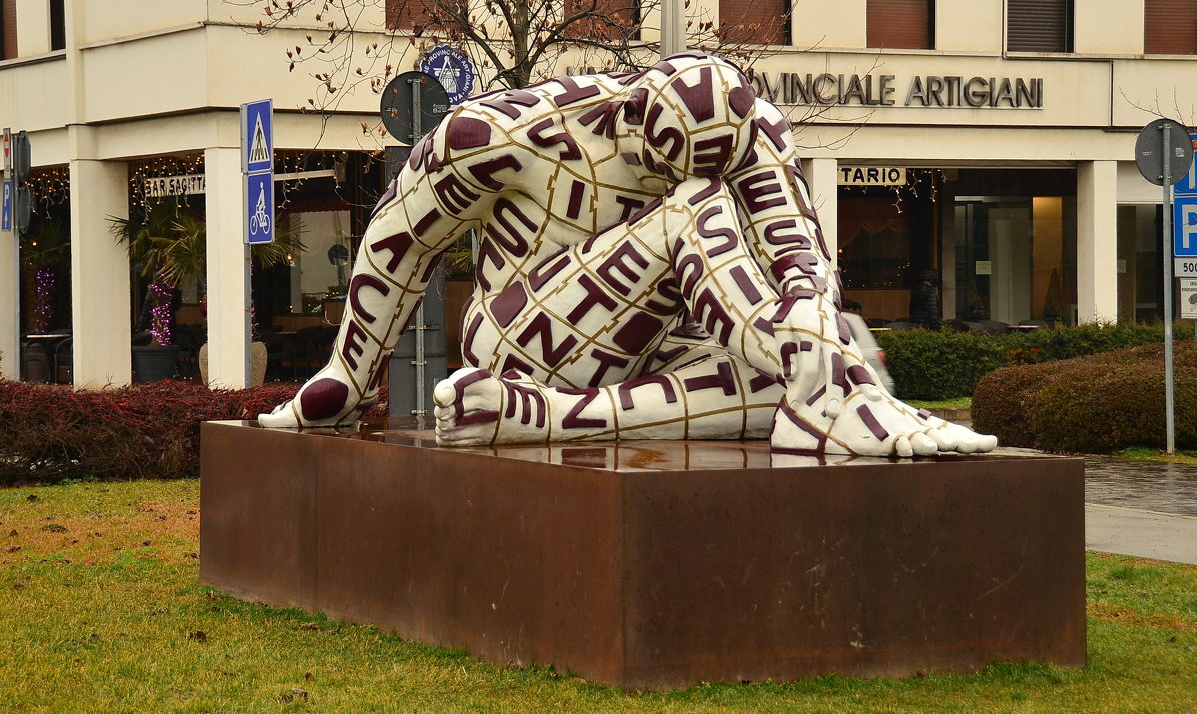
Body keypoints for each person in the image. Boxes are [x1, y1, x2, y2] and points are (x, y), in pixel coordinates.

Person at [258, 54, 995, 457]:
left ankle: (552, 419)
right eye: (660, 164)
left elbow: (795, 245)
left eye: (711, 160)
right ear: (628, 116)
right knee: (699, 216)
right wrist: (345, 376)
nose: (673, 179)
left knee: (804, 346)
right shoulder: (509, 131)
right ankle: (829, 398)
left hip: (645, 353)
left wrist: (810, 313)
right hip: (524, 337)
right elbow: (398, 238)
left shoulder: (755, 129)